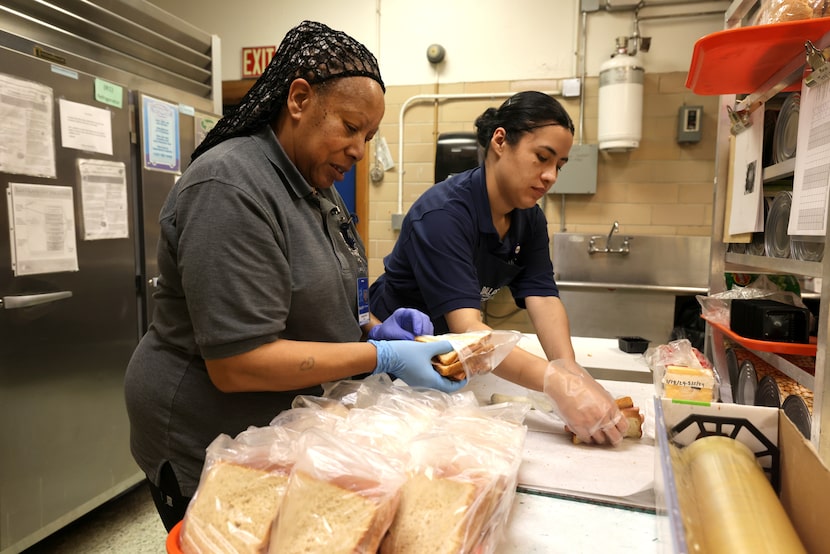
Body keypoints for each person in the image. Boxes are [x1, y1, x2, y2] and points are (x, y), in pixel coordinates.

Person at [124, 20, 463, 532]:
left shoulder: (315, 185)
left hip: (281, 429)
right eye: (350, 127)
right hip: (208, 435)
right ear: (299, 99)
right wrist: (383, 356)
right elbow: (238, 363)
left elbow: (321, 297)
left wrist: (374, 328)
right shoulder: (229, 188)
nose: (359, 150)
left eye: (368, 136)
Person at [369, 91, 628, 446]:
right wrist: (556, 384)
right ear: (500, 141)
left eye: (560, 165)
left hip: (454, 364)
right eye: (542, 157)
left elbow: (542, 297)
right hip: (396, 368)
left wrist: (571, 375)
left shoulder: (529, 219)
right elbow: (468, 330)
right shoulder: (445, 214)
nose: (551, 176)